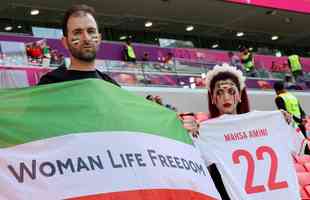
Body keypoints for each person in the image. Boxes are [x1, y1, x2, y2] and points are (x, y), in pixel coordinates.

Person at [181, 64, 293, 200]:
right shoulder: (205, 131)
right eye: (219, 92)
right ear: (213, 99)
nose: (226, 97)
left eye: (231, 91)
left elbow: (303, 150)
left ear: (240, 95)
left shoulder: (267, 122)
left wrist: (284, 122)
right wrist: (189, 135)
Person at [38, 4, 119, 86]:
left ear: (99, 38)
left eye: (91, 31)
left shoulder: (111, 85)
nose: (86, 38)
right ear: (65, 42)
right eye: (77, 33)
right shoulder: (51, 83)